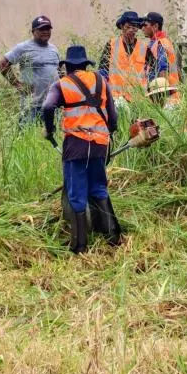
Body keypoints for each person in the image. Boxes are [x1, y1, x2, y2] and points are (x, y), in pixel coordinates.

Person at [41, 45, 121, 253]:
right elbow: (113, 116)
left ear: (67, 67)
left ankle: (79, 245)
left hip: (76, 146)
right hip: (99, 145)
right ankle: (112, 236)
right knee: (99, 187)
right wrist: (108, 132)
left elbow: (48, 107)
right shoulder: (101, 81)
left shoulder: (61, 85)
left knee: (76, 193)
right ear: (86, 65)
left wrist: (48, 130)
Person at [0, 15, 60, 126]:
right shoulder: (23, 47)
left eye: (48, 28)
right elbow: (2, 65)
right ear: (33, 31)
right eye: (41, 29)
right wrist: (18, 84)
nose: (45, 31)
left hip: (52, 105)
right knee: (26, 138)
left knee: (49, 139)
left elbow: (59, 72)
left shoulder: (54, 49)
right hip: (32, 105)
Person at [98, 11, 159, 103]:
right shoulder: (112, 44)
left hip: (138, 99)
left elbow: (155, 70)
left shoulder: (143, 47)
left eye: (134, 27)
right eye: (128, 27)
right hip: (115, 98)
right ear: (122, 27)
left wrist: (150, 88)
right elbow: (103, 70)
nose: (131, 30)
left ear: (137, 29)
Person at [141, 11, 180, 104]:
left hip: (165, 98)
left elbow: (163, 70)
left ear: (155, 26)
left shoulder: (160, 43)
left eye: (145, 25)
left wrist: (160, 97)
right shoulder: (156, 43)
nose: (142, 29)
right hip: (165, 95)